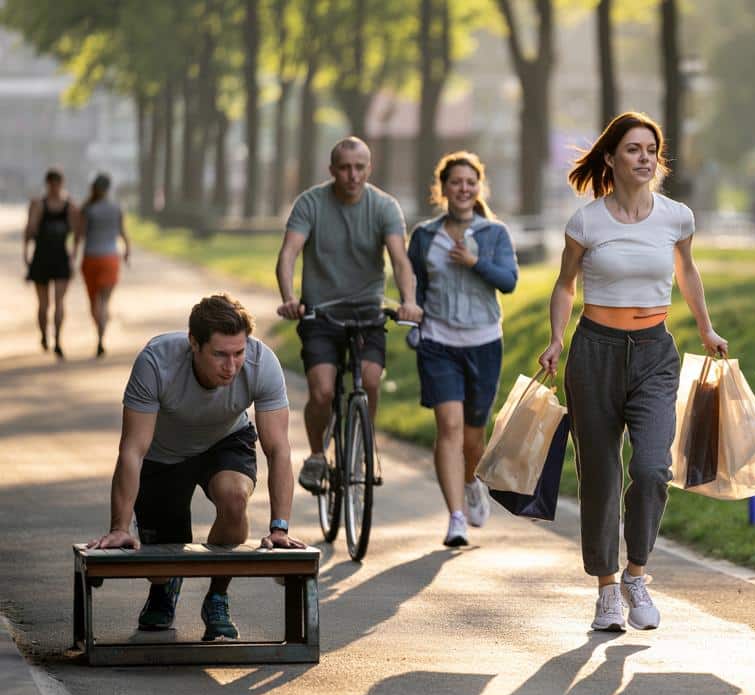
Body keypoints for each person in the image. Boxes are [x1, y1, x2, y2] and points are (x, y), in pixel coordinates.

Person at [538, 111, 729, 632]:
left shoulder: (676, 217)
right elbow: (564, 285)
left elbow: (686, 272)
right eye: (633, 150)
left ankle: (636, 573)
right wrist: (557, 339)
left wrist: (707, 329)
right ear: (611, 158)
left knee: (650, 467)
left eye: (651, 150)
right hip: (594, 352)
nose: (644, 158)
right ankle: (605, 590)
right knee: (599, 474)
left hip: (654, 352)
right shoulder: (586, 222)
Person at [87, 294, 306, 641]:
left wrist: (280, 527)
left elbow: (278, 449)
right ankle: (163, 590)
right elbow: (132, 449)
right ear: (194, 343)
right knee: (163, 563)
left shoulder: (262, 363)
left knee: (235, 499)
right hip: (163, 454)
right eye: (220, 354)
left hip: (225, 441)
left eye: (238, 353)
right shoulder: (157, 362)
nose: (231, 366)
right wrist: (119, 526)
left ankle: (217, 597)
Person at [275, 136, 422, 493]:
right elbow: (288, 254)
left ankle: (362, 445)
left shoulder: (384, 207)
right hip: (320, 313)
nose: (352, 175)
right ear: (332, 170)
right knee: (322, 391)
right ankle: (314, 455)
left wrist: (409, 300)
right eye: (344, 167)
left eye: (359, 167)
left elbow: (400, 260)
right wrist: (290, 297)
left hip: (367, 311)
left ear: (369, 169)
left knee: (370, 379)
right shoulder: (311, 203)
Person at [407, 152, 518, 548]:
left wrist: (474, 262)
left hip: (483, 342)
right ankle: (455, 517)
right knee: (449, 427)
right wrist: (413, 316)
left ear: (479, 187)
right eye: (456, 182)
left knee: (474, 436)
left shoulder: (493, 234)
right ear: (443, 189)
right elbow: (414, 283)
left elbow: (508, 282)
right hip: (438, 342)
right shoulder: (423, 236)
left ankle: (472, 483)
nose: (464, 189)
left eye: (471, 182)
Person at [73, 173, 131, 358]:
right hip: (110, 258)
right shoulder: (116, 208)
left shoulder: (88, 209)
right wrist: (127, 251)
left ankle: (99, 329)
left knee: (94, 301)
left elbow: (79, 234)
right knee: (105, 300)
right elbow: (123, 233)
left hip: (91, 258)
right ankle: (101, 336)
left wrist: (73, 254)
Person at [23, 167, 78, 359]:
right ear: (48, 184)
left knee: (59, 302)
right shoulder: (39, 205)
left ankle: (57, 339)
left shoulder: (68, 205)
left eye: (57, 183)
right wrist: (26, 253)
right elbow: (29, 230)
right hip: (43, 257)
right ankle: (44, 335)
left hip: (59, 257)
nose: (55, 187)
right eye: (52, 183)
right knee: (43, 304)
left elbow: (77, 232)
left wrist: (73, 256)